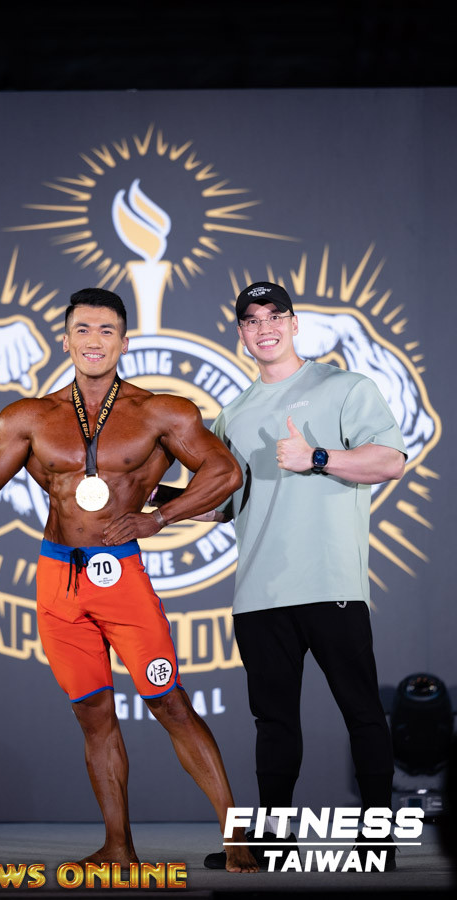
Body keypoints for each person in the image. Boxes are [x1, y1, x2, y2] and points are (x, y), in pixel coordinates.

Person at [0, 287, 258, 873]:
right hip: (57, 582)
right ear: (66, 340)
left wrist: (159, 516)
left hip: (121, 579)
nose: (94, 340)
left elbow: (225, 472)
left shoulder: (161, 412)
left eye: (107, 330)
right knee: (93, 716)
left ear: (124, 342)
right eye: (83, 330)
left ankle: (238, 837)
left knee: (169, 703)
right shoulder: (29, 417)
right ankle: (118, 846)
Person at [179, 281, 406, 871]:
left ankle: (377, 842)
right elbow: (221, 504)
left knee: (362, 713)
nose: (265, 328)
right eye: (252, 320)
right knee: (273, 723)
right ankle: (275, 842)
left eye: (274, 315)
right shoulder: (234, 413)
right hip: (259, 594)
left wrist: (318, 457)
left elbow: (389, 461)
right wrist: (156, 505)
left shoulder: (344, 387)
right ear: (240, 333)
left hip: (331, 585)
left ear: (295, 322)